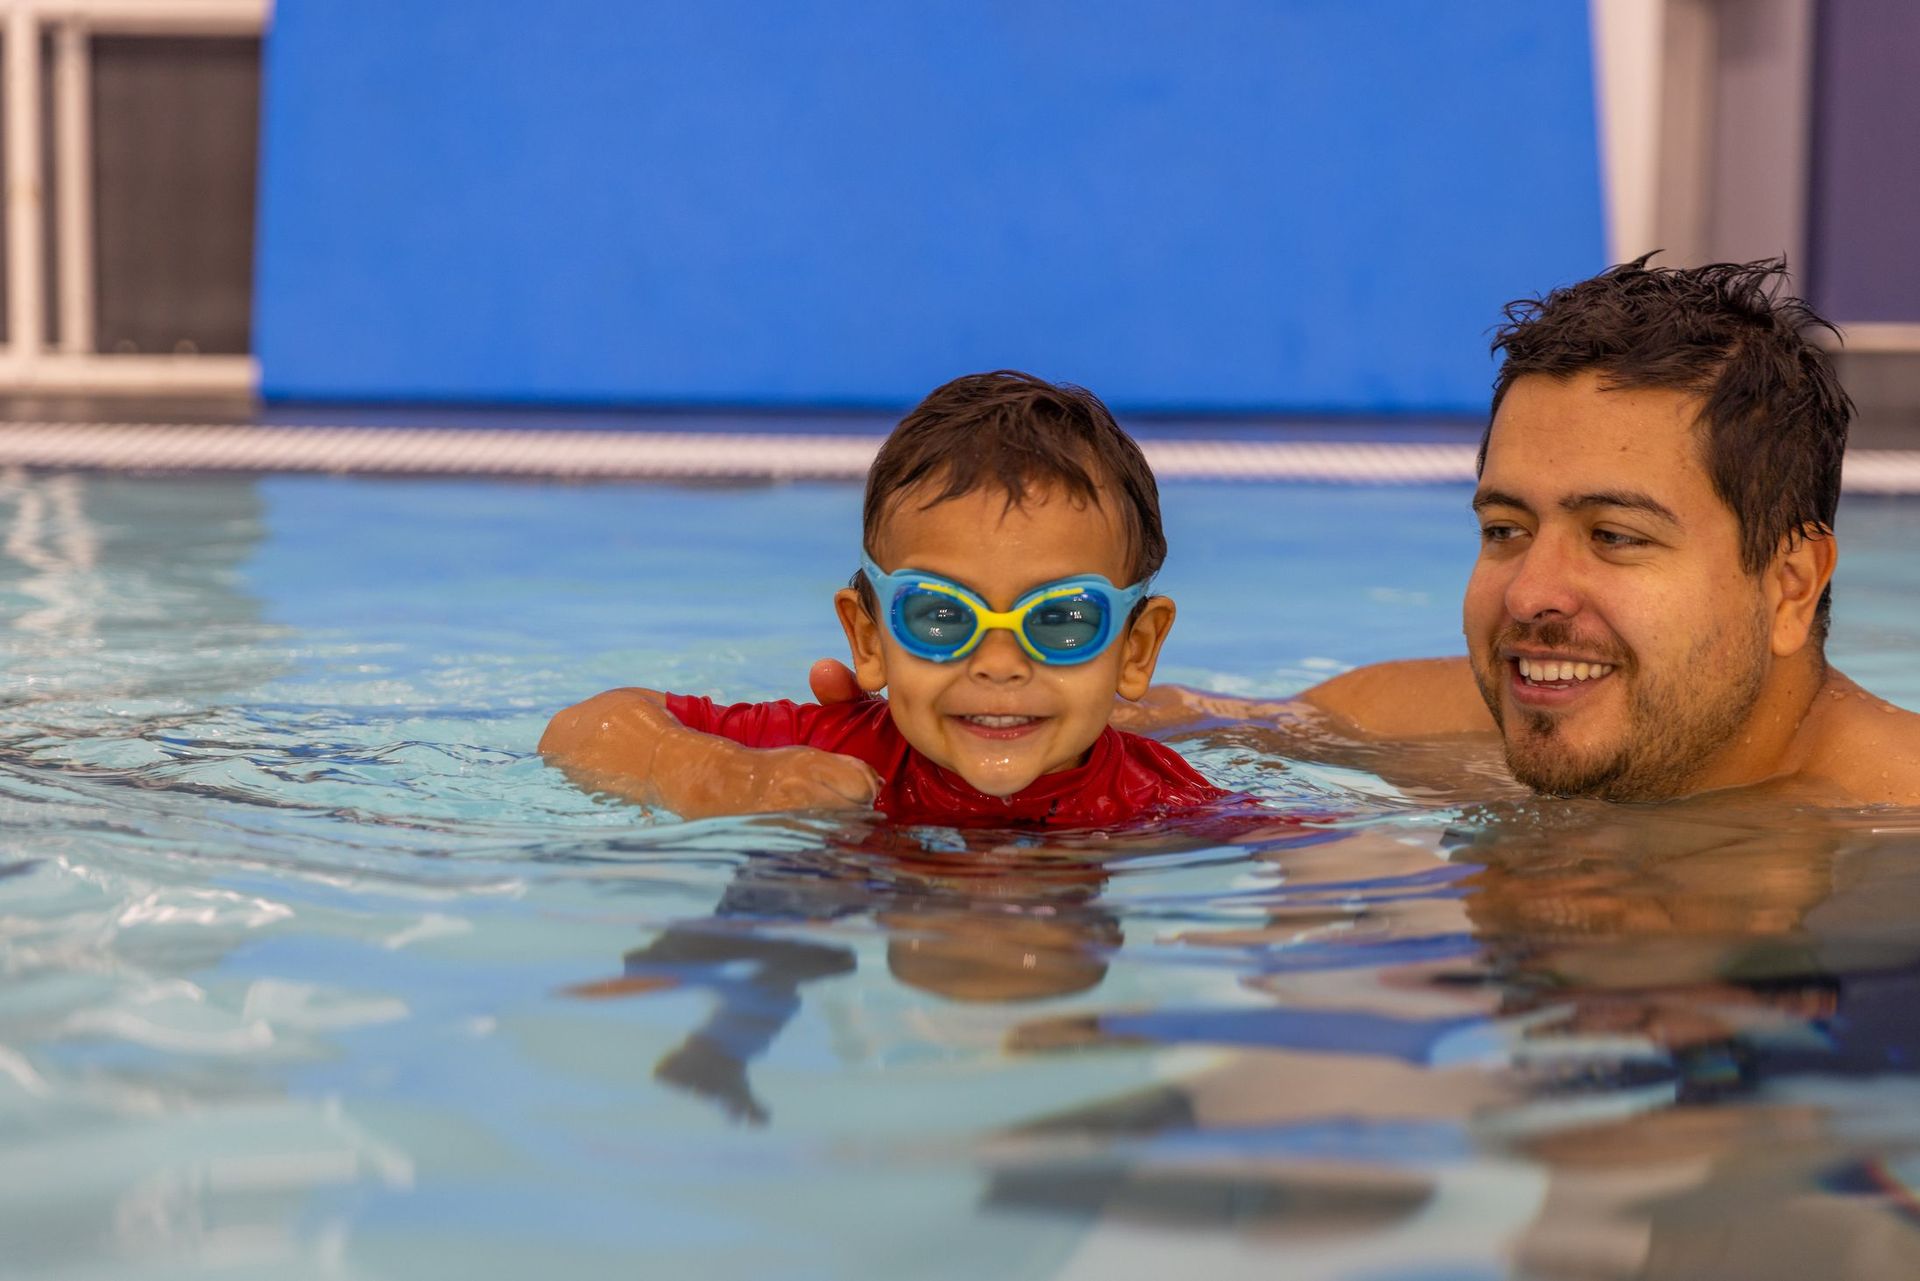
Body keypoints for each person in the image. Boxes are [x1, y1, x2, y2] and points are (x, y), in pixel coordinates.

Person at [808, 260, 1920, 806]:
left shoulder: (1890, 826)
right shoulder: (1402, 719)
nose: (1533, 590)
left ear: (1791, 581)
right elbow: (1172, 721)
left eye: (1616, 538)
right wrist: (953, 690)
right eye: (1504, 528)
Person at [539, 370, 1243, 825]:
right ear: (870, 638)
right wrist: (718, 776)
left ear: (1136, 647)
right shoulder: (839, 754)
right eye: (941, 615)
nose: (998, 662)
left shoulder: (1163, 805)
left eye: (1059, 619)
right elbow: (582, 727)